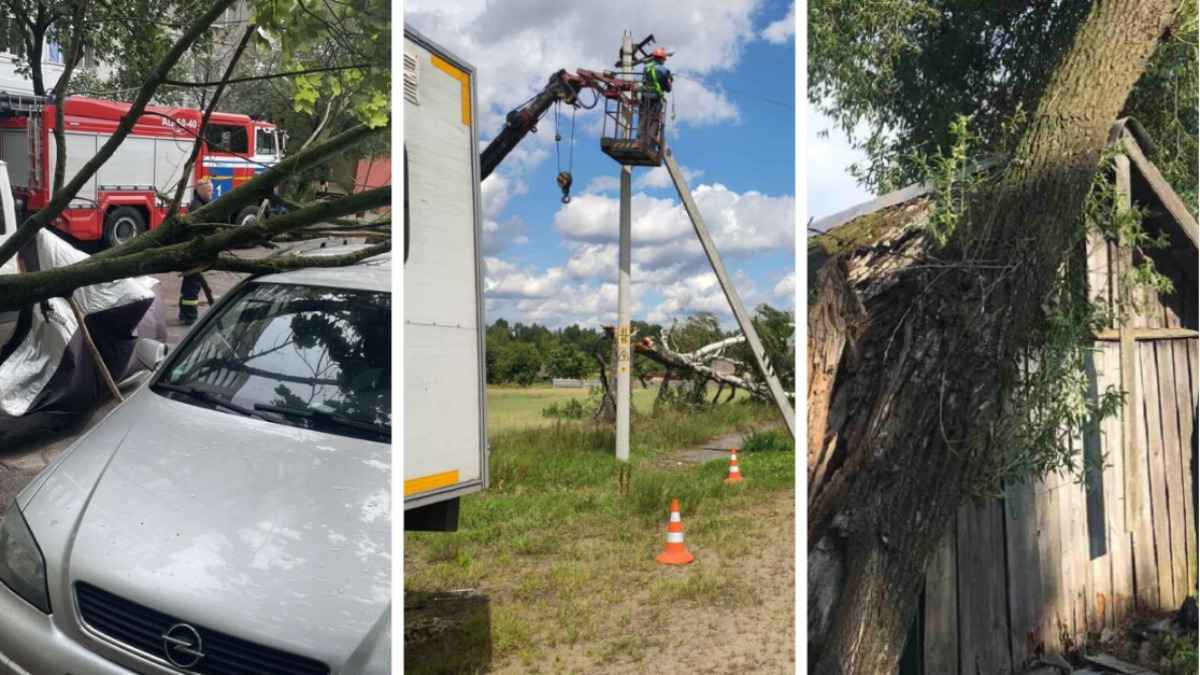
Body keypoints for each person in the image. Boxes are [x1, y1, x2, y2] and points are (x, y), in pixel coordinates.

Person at [178, 178, 213, 325]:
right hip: (194, 253)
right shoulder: (198, 208)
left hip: (192, 251)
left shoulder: (198, 204)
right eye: (209, 190)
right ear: (202, 191)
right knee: (192, 287)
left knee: (189, 284)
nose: (212, 193)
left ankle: (184, 313)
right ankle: (190, 316)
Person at [638, 48, 673, 160]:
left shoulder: (646, 68)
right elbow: (668, 89)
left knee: (643, 118)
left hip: (644, 97)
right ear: (662, 59)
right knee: (654, 121)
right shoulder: (664, 71)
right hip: (655, 99)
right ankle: (650, 145)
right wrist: (670, 80)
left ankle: (639, 141)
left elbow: (645, 80)